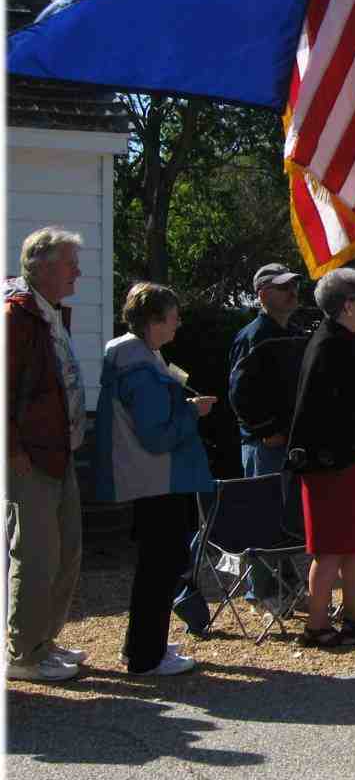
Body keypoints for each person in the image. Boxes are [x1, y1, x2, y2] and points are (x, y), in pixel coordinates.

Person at [93, 283, 218, 677]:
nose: (178, 322)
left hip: (155, 482)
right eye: (172, 315)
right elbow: (156, 435)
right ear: (153, 321)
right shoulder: (139, 366)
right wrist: (192, 414)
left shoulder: (139, 357)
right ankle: (147, 657)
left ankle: (144, 647)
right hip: (158, 481)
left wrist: (182, 409)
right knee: (159, 567)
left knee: (156, 566)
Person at [286, 268, 355, 647]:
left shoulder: (344, 340)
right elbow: (329, 408)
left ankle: (354, 613)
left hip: (351, 457)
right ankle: (316, 624)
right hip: (329, 462)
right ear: (348, 305)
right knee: (331, 546)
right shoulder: (329, 345)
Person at [6, 227, 89, 682]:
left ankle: (45, 641)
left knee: (66, 551)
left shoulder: (48, 313)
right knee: (36, 555)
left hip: (59, 451)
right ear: (40, 266)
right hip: (30, 457)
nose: (77, 271)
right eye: (69, 263)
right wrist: (12, 448)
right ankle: (23, 654)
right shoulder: (16, 317)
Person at [227, 262, 307, 612]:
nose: (292, 292)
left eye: (294, 285)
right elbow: (239, 394)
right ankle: (263, 593)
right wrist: (265, 432)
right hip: (265, 445)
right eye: (282, 287)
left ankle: (286, 587)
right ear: (262, 295)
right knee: (263, 516)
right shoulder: (254, 336)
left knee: (285, 516)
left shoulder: (295, 331)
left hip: (290, 442)